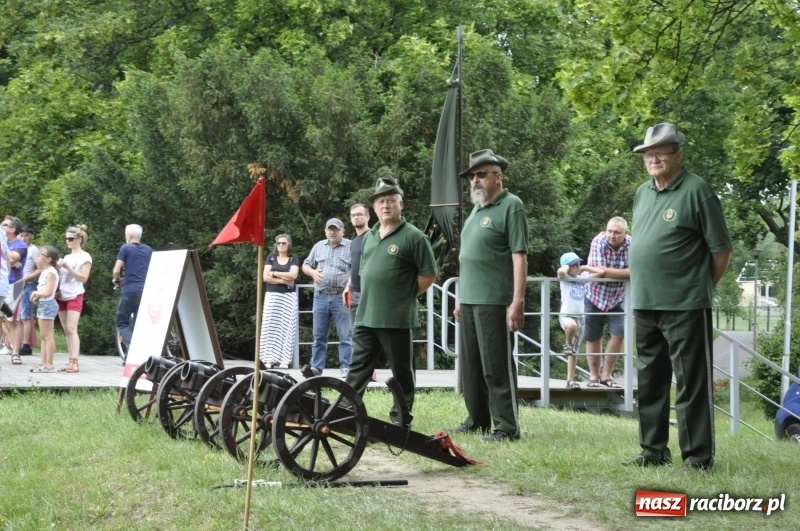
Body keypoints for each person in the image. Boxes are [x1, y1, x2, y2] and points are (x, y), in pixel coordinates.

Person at [625, 123, 732, 472]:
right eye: (648, 153)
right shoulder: (643, 193)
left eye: (661, 152)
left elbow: (721, 250)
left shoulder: (697, 190)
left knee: (691, 383)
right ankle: (652, 450)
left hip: (685, 305)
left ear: (678, 155)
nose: (653, 158)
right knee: (650, 381)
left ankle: (697, 457)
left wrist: (701, 289)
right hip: (644, 303)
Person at [345, 178, 437, 424]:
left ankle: (401, 417)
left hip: (395, 316)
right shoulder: (370, 237)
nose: (385, 205)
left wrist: (403, 294)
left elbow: (429, 274)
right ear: (374, 208)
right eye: (381, 201)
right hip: (366, 314)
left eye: (390, 200)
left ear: (401, 204)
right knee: (357, 368)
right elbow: (364, 272)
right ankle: (346, 413)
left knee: (401, 371)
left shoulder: (414, 237)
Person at [453, 149, 528, 442]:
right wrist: (460, 298)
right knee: (471, 367)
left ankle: (507, 426)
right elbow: (469, 259)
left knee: (496, 365)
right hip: (470, 299)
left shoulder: (512, 206)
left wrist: (517, 300)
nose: (475, 180)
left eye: (481, 174)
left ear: (499, 176)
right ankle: (478, 419)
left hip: (495, 299)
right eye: (472, 176)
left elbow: (519, 256)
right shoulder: (477, 210)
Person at [301, 218, 352, 378]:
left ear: (342, 231)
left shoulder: (350, 246)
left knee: (346, 335)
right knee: (318, 336)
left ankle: (347, 367)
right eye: (329, 229)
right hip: (321, 297)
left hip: (341, 297)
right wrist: (312, 272)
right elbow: (305, 265)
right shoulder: (318, 246)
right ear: (325, 232)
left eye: (336, 229)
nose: (332, 232)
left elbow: (358, 269)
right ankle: (316, 368)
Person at [584, 217, 631, 388]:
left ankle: (607, 375)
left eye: (617, 232)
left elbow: (636, 271)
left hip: (618, 296)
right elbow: (597, 272)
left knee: (619, 334)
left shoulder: (632, 244)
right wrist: (624, 272)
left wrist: (606, 271)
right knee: (593, 336)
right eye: (609, 231)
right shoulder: (598, 241)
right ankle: (594, 376)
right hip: (594, 295)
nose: (612, 235)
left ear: (625, 233)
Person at [342, 203, 378, 382]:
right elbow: (354, 268)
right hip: (354, 292)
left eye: (359, 214)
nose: (356, 217)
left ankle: (369, 371)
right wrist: (348, 286)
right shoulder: (354, 241)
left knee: (368, 333)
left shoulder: (373, 237)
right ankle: (362, 371)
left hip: (369, 293)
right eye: (353, 215)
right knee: (355, 333)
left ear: (368, 216)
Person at [557, 252, 602, 390]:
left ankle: (570, 380)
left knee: (574, 352)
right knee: (571, 326)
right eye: (575, 265)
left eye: (578, 264)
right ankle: (567, 343)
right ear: (568, 266)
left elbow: (600, 273)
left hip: (580, 316)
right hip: (566, 315)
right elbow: (561, 273)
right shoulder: (565, 279)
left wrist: (586, 268)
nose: (578, 266)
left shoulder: (582, 278)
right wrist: (566, 267)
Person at [259, 234, 300, 369]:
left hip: (288, 297)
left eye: (284, 243)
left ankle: (284, 360)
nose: (281, 245)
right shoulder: (271, 258)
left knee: (287, 327)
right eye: (279, 243)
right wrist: (283, 280)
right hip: (272, 295)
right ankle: (267, 359)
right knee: (269, 326)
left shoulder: (293, 259)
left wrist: (275, 273)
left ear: (289, 244)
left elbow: (293, 275)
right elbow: (265, 277)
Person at [112, 224, 153, 359]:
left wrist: (116, 279)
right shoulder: (149, 250)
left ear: (129, 235)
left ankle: (133, 347)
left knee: (122, 323)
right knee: (138, 324)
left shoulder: (126, 247)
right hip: (145, 290)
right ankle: (131, 357)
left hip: (130, 290)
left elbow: (117, 270)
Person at [57, 225, 93, 373]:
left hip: (75, 294)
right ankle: (70, 360)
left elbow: (84, 278)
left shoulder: (85, 257)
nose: (68, 241)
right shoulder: (67, 257)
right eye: (66, 238)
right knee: (66, 329)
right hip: (62, 295)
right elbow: (63, 277)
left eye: (71, 238)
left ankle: (75, 361)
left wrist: (68, 267)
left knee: (72, 328)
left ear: (80, 239)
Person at [29, 246, 60, 373]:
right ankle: (43, 363)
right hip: (43, 304)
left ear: (48, 259)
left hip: (48, 304)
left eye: (41, 254)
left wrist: (36, 292)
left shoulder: (51, 272)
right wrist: (37, 296)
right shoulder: (44, 271)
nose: (38, 256)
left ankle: (49, 364)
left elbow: (48, 292)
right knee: (43, 336)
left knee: (48, 336)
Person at [2, 216, 28, 365]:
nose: (1, 227)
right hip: (1, 284)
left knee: (13, 320)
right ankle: (7, 345)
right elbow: (10, 260)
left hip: (14, 284)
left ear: (12, 229)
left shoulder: (20, 245)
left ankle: (16, 353)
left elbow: (14, 258)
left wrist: (10, 259)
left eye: (4, 225)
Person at [18, 226, 40, 357]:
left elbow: (40, 269)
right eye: (21, 235)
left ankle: (25, 345)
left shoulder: (34, 250)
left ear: (31, 236)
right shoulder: (17, 248)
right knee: (13, 316)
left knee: (25, 315)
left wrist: (27, 278)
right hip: (15, 284)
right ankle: (14, 342)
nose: (23, 238)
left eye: (26, 235)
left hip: (27, 284)